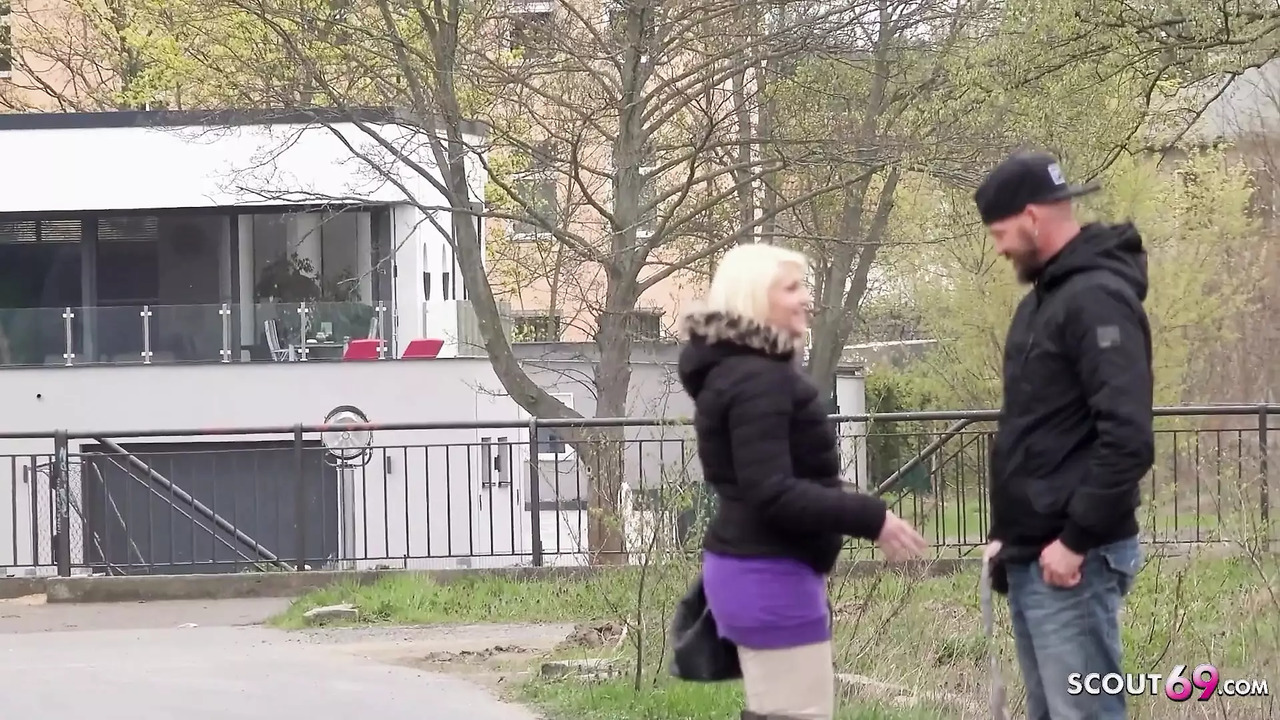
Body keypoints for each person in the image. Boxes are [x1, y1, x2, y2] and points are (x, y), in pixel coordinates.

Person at [676, 243, 928, 720]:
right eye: (791, 288)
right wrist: (873, 518)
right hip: (768, 574)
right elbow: (771, 491)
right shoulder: (758, 381)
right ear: (756, 298)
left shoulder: (741, 373)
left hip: (758, 569)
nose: (806, 298)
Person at [973, 150, 1154, 720]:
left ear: (1031, 217)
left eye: (999, 233)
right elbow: (1036, 432)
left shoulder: (1096, 299)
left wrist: (1074, 541)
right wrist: (1009, 536)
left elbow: (1127, 437)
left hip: (1076, 562)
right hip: (1036, 556)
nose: (999, 248)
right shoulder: (1042, 304)